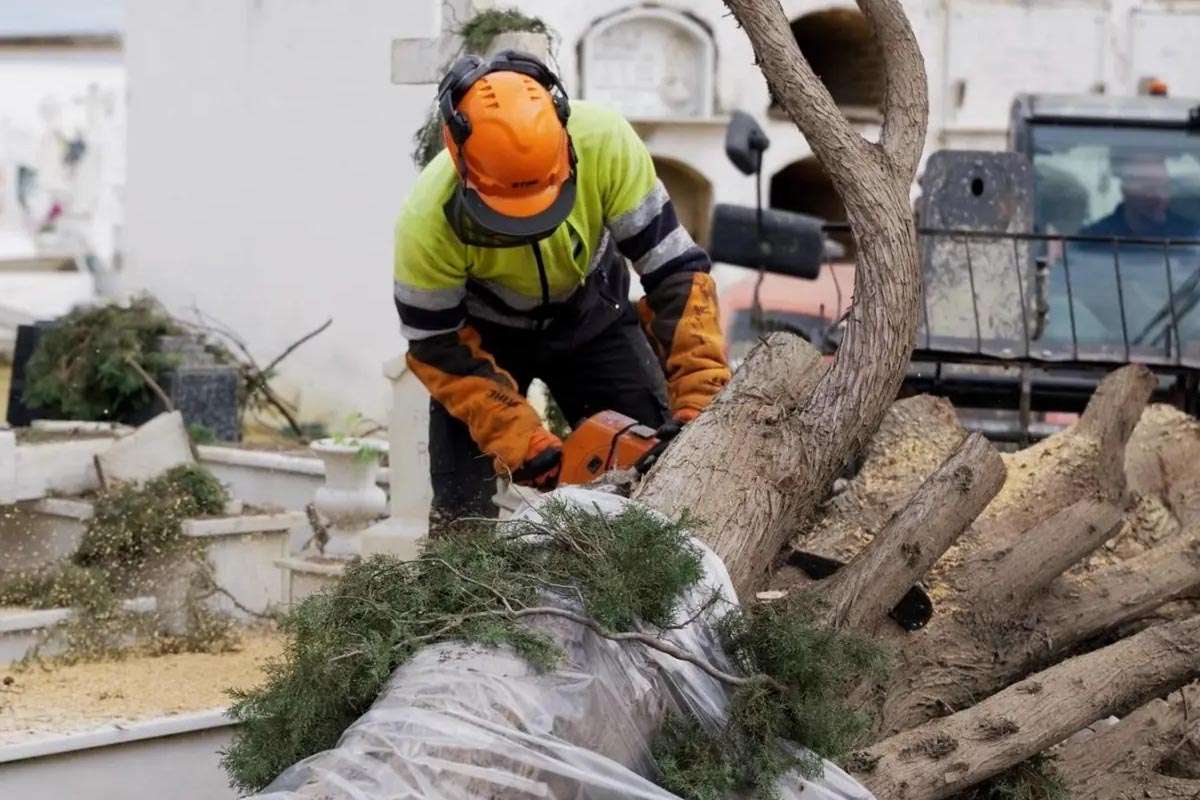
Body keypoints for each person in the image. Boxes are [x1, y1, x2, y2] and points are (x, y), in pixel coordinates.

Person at [393, 50, 731, 526]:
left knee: (659, 470)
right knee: (462, 520)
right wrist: (519, 437)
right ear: (458, 153)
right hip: (483, 342)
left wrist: (702, 396)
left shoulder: (606, 143)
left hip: (593, 313)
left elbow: (675, 273)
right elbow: (434, 344)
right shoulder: (426, 221)